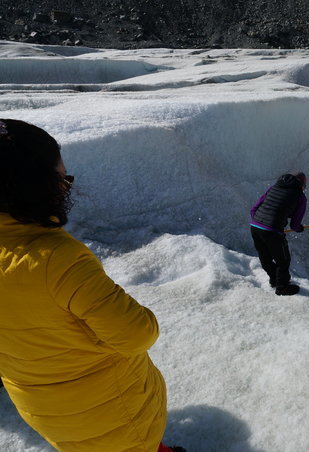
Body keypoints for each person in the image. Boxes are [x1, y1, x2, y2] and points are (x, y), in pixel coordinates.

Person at [0, 119, 184, 452]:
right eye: (62, 179)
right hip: (110, 408)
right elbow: (136, 334)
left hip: (40, 406)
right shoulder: (55, 259)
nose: (66, 187)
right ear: (34, 187)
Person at [250, 172, 307, 296]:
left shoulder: (274, 188)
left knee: (265, 257)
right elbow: (294, 224)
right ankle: (282, 288)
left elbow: (254, 209)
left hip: (255, 226)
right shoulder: (300, 197)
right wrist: (299, 228)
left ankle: (274, 280)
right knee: (283, 260)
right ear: (301, 185)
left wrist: (260, 223)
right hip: (272, 230)